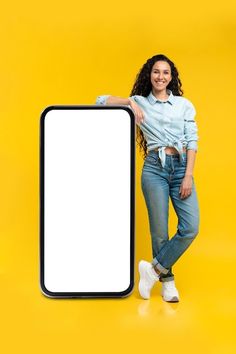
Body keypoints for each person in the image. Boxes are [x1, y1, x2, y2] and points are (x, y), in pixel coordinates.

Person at [95, 54, 200, 302]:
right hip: (154, 168)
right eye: (156, 72)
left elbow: (192, 141)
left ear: (171, 77)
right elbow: (100, 101)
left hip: (181, 166)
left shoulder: (184, 105)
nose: (160, 76)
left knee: (190, 227)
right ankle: (168, 284)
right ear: (149, 75)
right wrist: (130, 104)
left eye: (165, 72)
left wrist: (188, 176)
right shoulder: (140, 101)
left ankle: (152, 270)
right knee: (159, 232)